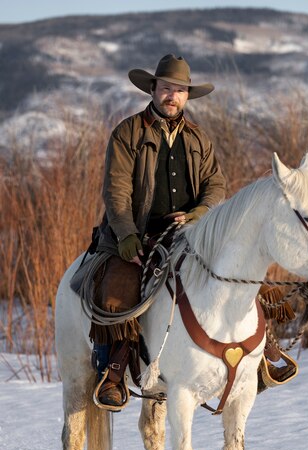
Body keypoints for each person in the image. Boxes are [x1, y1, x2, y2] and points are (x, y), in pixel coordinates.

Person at [90, 54, 226, 410]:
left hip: (188, 233)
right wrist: (126, 234)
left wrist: (200, 213)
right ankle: (114, 372)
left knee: (232, 271)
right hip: (137, 233)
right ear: (152, 89)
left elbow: (216, 184)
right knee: (119, 292)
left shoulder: (198, 138)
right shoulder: (128, 133)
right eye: (166, 88)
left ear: (187, 96)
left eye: (180, 91)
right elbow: (116, 190)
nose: (172, 96)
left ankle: (252, 355)